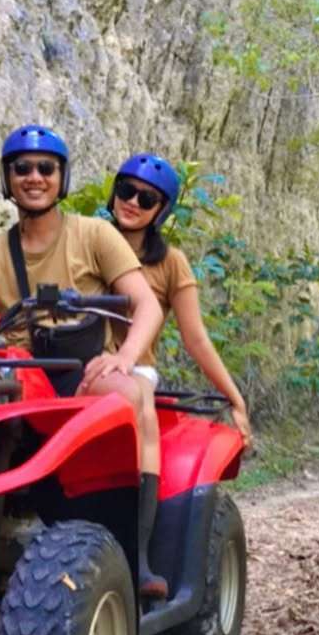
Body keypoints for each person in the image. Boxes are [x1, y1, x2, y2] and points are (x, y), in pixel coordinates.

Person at [0, 125, 172, 598]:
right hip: (15, 369)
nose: (33, 177)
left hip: (80, 368)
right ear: (7, 178)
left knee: (130, 395)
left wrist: (123, 358)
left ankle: (135, 558)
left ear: (62, 177)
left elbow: (148, 305)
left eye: (45, 168)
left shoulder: (95, 235)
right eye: (22, 168)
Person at [108, 153, 253, 450]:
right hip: (81, 360)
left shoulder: (171, 262)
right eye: (126, 191)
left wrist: (235, 400)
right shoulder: (88, 242)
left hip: (135, 367)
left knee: (139, 406)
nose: (133, 202)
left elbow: (196, 338)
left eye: (147, 199)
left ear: (161, 210)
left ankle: (145, 488)